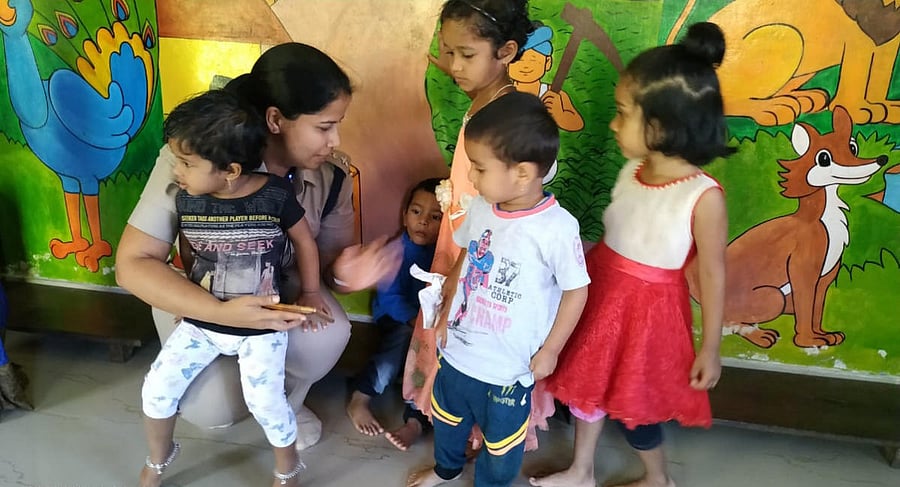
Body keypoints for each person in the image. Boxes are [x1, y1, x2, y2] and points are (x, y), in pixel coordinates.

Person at [116, 43, 397, 451]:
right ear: (275, 119)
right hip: (200, 301)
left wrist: (346, 273)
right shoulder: (197, 157)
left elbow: (330, 264)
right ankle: (233, 388)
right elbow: (133, 264)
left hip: (274, 303)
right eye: (324, 126)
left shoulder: (332, 176)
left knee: (328, 331)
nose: (335, 140)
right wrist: (216, 312)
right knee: (215, 410)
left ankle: (287, 405)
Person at [529, 22, 733, 487]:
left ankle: (657, 478)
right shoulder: (632, 171)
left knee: (636, 408)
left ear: (659, 126)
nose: (613, 123)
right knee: (587, 391)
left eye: (623, 114)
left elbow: (714, 274)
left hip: (649, 318)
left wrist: (711, 347)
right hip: (603, 295)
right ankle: (580, 470)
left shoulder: (703, 197)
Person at [408, 91, 590, 487]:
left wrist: (551, 350)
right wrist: (443, 314)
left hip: (510, 369)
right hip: (458, 353)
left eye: (479, 168)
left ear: (522, 173)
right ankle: (447, 469)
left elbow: (577, 292)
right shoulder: (481, 208)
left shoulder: (556, 229)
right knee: (449, 421)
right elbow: (465, 258)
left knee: (502, 446)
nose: (470, 178)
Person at [139, 90, 319, 487]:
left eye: (186, 163)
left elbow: (305, 241)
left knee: (266, 404)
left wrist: (310, 293)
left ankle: (288, 468)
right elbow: (188, 249)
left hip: (262, 327)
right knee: (156, 388)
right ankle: (158, 458)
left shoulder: (275, 194)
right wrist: (190, 298)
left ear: (231, 170)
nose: (176, 172)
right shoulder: (189, 200)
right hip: (202, 322)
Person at [402, 0, 550, 453]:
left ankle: (477, 434)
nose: (454, 65)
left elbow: (502, 208)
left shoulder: (511, 117)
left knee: (470, 335)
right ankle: (454, 423)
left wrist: (460, 273)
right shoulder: (487, 99)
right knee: (450, 334)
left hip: (478, 253)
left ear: (505, 51)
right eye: (448, 53)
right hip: (460, 238)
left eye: (467, 55)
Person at [346, 178, 443, 443]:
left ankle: (415, 420)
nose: (423, 221)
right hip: (397, 319)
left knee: (435, 358)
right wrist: (414, 320)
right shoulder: (395, 250)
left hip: (427, 325)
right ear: (404, 215)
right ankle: (361, 396)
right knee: (398, 344)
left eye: (435, 216)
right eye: (416, 212)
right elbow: (390, 299)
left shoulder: (444, 254)